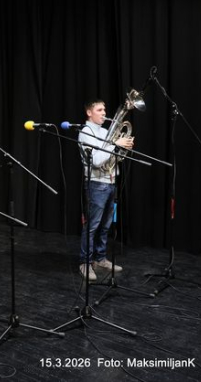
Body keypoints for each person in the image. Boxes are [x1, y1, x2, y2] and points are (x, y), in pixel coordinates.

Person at [78, 99, 134, 281]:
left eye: (104, 109)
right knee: (92, 226)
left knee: (105, 226)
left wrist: (123, 147)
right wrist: (115, 144)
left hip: (111, 182)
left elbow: (113, 157)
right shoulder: (86, 132)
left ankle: (100, 258)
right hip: (96, 184)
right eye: (99, 110)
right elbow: (96, 160)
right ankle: (85, 262)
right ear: (89, 112)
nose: (104, 113)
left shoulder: (104, 132)